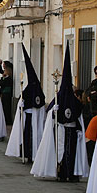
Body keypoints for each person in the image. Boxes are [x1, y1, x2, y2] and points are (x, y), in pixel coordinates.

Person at [32, 41, 89, 181]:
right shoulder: (58, 99)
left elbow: (79, 116)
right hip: (61, 130)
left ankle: (73, 173)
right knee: (61, 151)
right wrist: (53, 111)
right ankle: (61, 172)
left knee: (72, 152)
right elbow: (49, 113)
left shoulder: (75, 102)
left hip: (72, 130)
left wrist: (80, 129)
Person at [6, 45, 47, 163]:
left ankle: (34, 154)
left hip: (35, 118)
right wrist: (21, 105)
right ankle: (27, 154)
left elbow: (40, 103)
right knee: (27, 136)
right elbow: (22, 104)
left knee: (35, 136)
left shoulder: (37, 91)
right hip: (28, 118)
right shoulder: (27, 91)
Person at [0, 60, 14, 125]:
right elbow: (1, 71)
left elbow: (1, 83)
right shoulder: (7, 77)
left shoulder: (8, 78)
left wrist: (1, 79)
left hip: (7, 94)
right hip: (5, 93)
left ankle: (8, 121)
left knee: (6, 108)